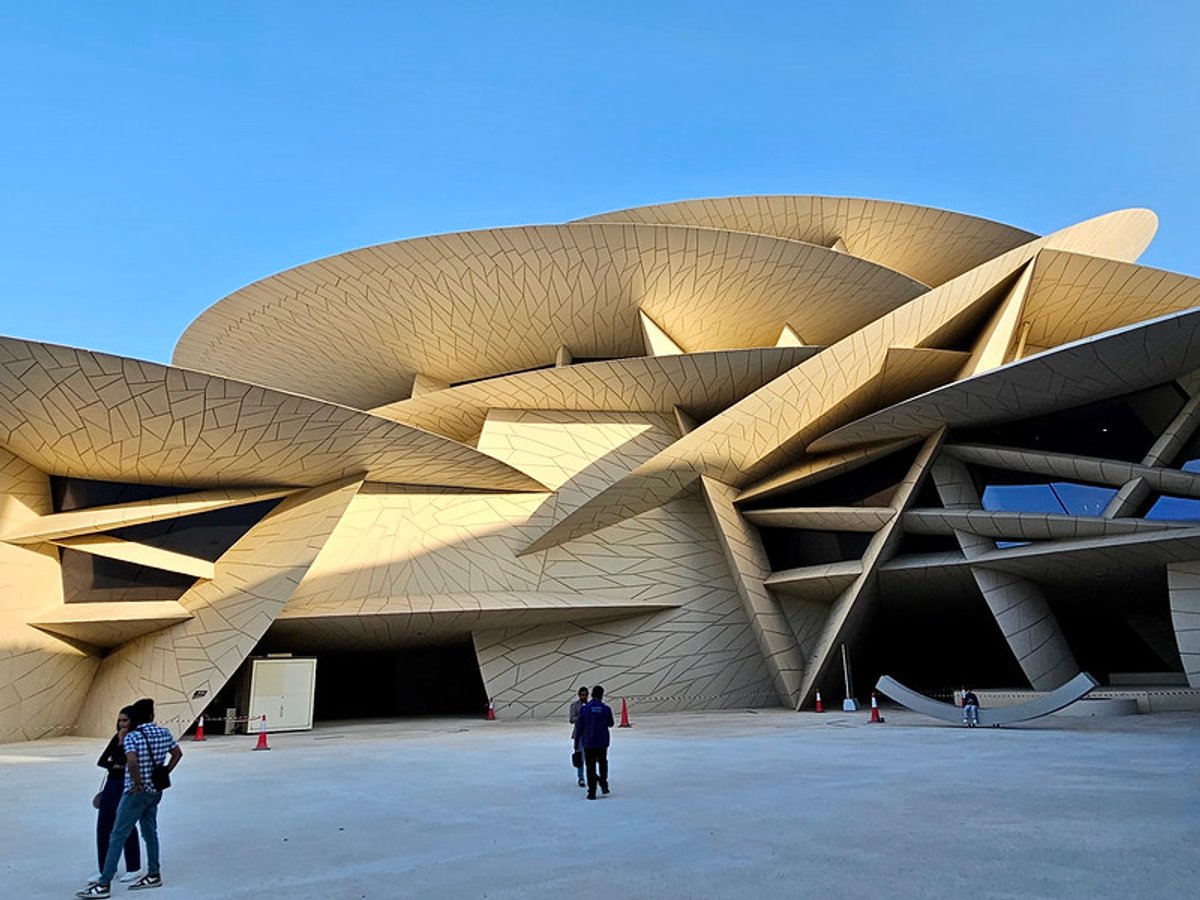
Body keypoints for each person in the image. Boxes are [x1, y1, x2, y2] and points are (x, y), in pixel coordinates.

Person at [77, 698, 182, 898]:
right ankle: (153, 874)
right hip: (155, 791)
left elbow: (131, 762)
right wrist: (165, 772)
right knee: (150, 833)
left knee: (117, 835)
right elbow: (177, 754)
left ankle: (104, 884)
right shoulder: (164, 733)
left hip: (135, 793)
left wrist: (137, 782)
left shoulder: (133, 737)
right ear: (151, 715)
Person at [91, 706, 142, 885]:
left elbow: (130, 762)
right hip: (111, 784)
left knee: (125, 825)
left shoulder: (135, 738)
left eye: (125, 720)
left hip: (126, 784)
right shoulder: (117, 737)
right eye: (120, 720)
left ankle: (134, 867)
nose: (122, 724)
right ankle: (104, 869)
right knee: (104, 826)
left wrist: (119, 758)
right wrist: (118, 746)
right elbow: (102, 760)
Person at [573, 685, 614, 800]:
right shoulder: (606, 709)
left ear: (591, 695)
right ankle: (604, 784)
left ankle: (592, 792)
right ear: (602, 695)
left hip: (589, 742)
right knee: (603, 763)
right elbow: (610, 723)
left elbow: (579, 727)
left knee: (590, 766)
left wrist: (576, 743)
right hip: (602, 741)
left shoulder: (585, 709)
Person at [568, 686, 589, 787]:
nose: (583, 697)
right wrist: (581, 717)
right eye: (582, 695)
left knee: (590, 757)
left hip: (589, 734)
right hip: (579, 735)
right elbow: (572, 719)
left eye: (585, 695)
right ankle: (581, 777)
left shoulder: (590, 705)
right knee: (580, 756)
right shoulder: (574, 705)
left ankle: (591, 775)